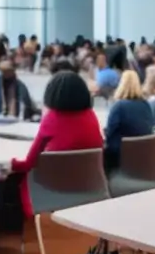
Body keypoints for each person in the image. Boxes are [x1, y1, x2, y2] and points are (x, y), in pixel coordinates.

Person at [10, 71, 104, 215]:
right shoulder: (91, 117)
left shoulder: (51, 120)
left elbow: (28, 163)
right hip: (88, 184)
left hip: (54, 187)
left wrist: (11, 164)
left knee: (15, 178)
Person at [103, 70, 155, 171]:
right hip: (142, 154)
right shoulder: (146, 105)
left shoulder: (118, 106)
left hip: (120, 156)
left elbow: (109, 132)